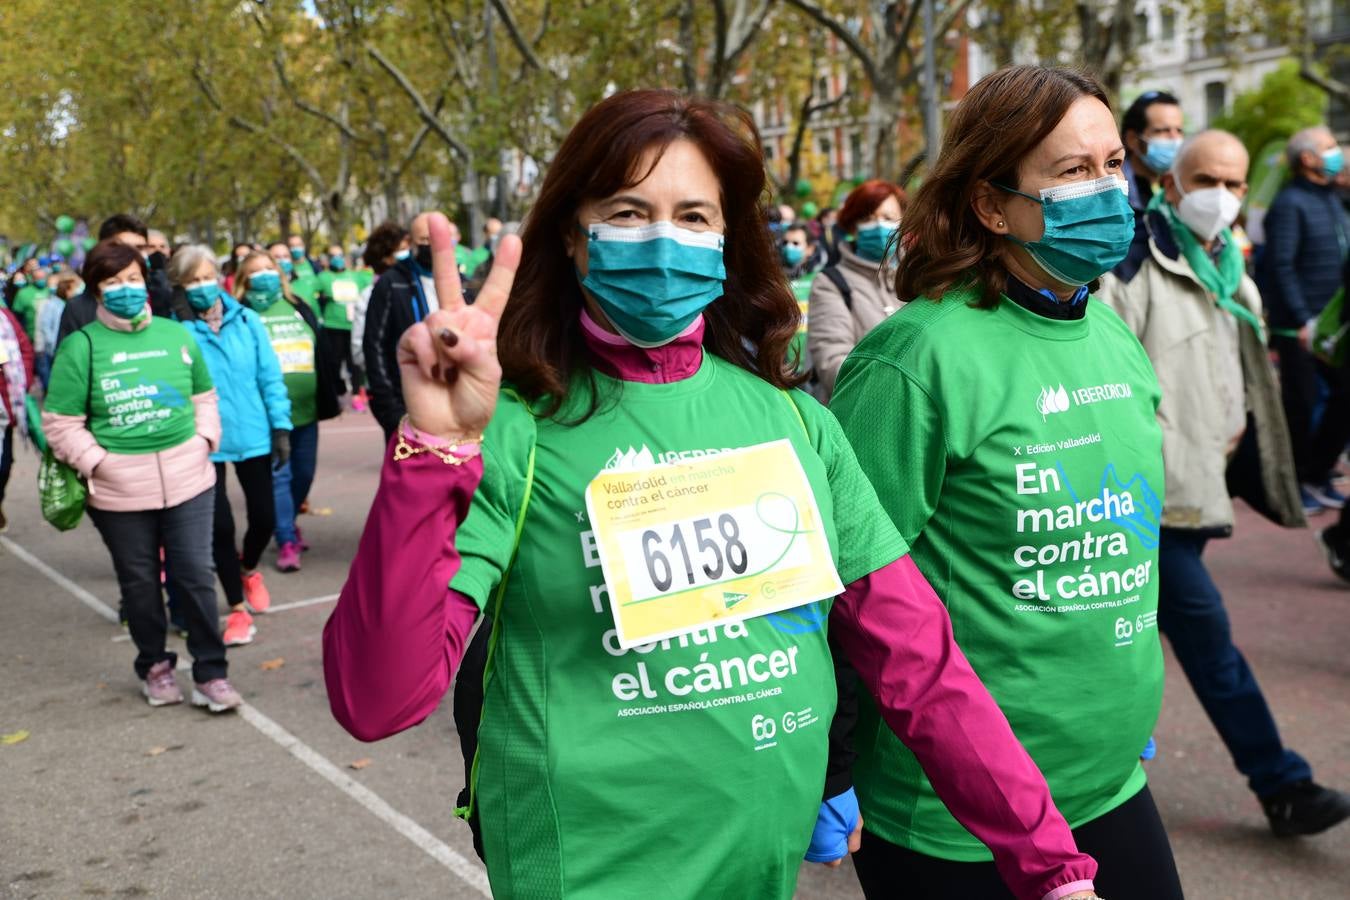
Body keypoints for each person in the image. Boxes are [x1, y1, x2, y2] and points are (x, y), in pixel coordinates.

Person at [323, 89, 1100, 900]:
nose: (664, 241)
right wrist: (438, 451)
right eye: (629, 212)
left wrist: (1052, 868)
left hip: (762, 864)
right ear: (572, 235)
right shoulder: (514, 429)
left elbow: (920, 661)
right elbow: (378, 700)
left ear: (729, 239)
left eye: (694, 217)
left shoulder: (793, 421)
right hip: (591, 871)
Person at [829, 65, 1183, 898]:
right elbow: (847, 581)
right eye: (1069, 171)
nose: (1105, 190)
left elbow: (1126, 536)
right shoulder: (914, 359)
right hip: (957, 819)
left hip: (1109, 783)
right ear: (991, 206)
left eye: (1111, 165)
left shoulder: (1109, 332)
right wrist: (832, 764)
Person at [1099, 129, 1350, 838]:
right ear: (1170, 184)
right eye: (1207, 178)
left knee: (1133, 641)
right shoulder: (1131, 269)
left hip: (1196, 496)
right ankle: (1283, 784)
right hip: (1143, 505)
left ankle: (1085, 778)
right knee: (1208, 640)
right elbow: (1108, 391)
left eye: (1237, 184)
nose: (1223, 195)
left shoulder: (1231, 274)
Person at [42, 240, 240, 711]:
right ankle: (154, 665)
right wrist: (99, 463)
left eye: (132, 279)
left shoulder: (177, 335)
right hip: (118, 492)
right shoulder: (81, 346)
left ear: (146, 283)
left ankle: (212, 673)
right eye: (112, 283)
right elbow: (60, 423)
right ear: (95, 291)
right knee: (140, 585)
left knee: (194, 577)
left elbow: (204, 398)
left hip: (189, 480)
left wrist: (203, 443)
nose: (125, 290)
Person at [170, 246, 291, 646]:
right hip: (206, 442)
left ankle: (249, 567)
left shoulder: (248, 321)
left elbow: (270, 377)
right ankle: (237, 608)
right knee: (220, 527)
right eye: (192, 280)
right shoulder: (176, 331)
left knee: (265, 519)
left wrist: (281, 427)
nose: (203, 286)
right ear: (180, 287)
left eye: (208, 276)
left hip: (254, 435)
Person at [1258, 126, 1350, 514]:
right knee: (1302, 406)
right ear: (1307, 158)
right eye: (1329, 147)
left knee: (1339, 404)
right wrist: (1299, 319)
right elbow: (1280, 264)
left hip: (1333, 328)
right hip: (1301, 326)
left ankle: (1319, 472)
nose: (1337, 154)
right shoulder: (1290, 203)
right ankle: (1298, 482)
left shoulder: (1332, 199)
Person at [234, 250, 341, 573]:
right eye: (256, 271)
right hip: (267, 415)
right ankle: (285, 539)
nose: (266, 274)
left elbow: (320, 351)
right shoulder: (241, 313)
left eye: (270, 268)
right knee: (280, 477)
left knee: (303, 475)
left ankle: (288, 522)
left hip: (307, 412)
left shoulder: (298, 307)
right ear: (244, 279)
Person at [806, 179, 906, 402]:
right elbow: (833, 364)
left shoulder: (919, 281)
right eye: (867, 219)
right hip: (861, 416)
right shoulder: (831, 283)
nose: (879, 226)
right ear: (853, 227)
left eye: (888, 218)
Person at [364, 212, 438, 441]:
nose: (431, 245)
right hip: (406, 401)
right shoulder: (392, 282)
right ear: (411, 242)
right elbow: (374, 345)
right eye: (424, 240)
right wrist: (391, 410)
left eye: (436, 238)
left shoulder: (463, 282)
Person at [56, 214, 179, 345]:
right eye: (125, 248)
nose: (135, 255)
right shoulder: (79, 308)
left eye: (141, 248)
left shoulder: (162, 293)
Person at [1114, 90, 1185, 281]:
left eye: (1179, 131)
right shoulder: (1115, 196)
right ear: (1133, 140)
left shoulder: (1177, 189)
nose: (1175, 140)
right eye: (1162, 131)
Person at [354, 222, 410, 379]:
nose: (409, 255)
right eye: (402, 250)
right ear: (385, 257)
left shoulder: (415, 288)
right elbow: (360, 351)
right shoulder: (369, 295)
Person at [316, 243, 371, 398]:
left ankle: (356, 394)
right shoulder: (322, 277)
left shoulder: (356, 276)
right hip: (332, 325)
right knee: (334, 362)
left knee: (355, 362)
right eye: (333, 256)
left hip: (353, 326)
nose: (337, 259)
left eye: (340, 255)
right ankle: (336, 393)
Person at [0, 301, 34, 533]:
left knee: (4, 465)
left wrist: (23, 384)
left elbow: (25, 350)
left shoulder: (3, 318)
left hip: (6, 409)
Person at [781, 222, 825, 380]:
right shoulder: (775, 280)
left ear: (809, 249)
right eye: (785, 243)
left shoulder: (820, 280)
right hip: (781, 364)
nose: (789, 248)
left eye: (796, 243)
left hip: (811, 366)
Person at [33, 273, 79, 388]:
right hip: (54, 349)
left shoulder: (69, 304)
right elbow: (45, 326)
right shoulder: (52, 304)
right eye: (74, 289)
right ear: (66, 291)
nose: (76, 292)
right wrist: (55, 345)